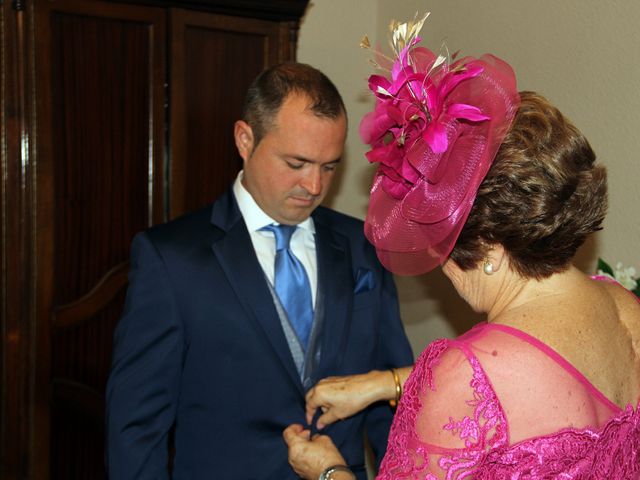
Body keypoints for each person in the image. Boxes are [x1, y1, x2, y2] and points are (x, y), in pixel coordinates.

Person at [283, 15, 640, 480]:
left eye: (442, 245)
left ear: (489, 248)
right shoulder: (623, 307)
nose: (441, 267)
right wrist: (380, 384)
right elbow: (539, 378)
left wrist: (329, 471)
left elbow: (486, 385)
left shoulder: (466, 375)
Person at [105, 62, 413, 479]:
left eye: (329, 166)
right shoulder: (171, 259)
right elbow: (137, 428)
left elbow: (394, 413)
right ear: (245, 139)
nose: (314, 186)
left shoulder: (364, 248)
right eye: (297, 163)